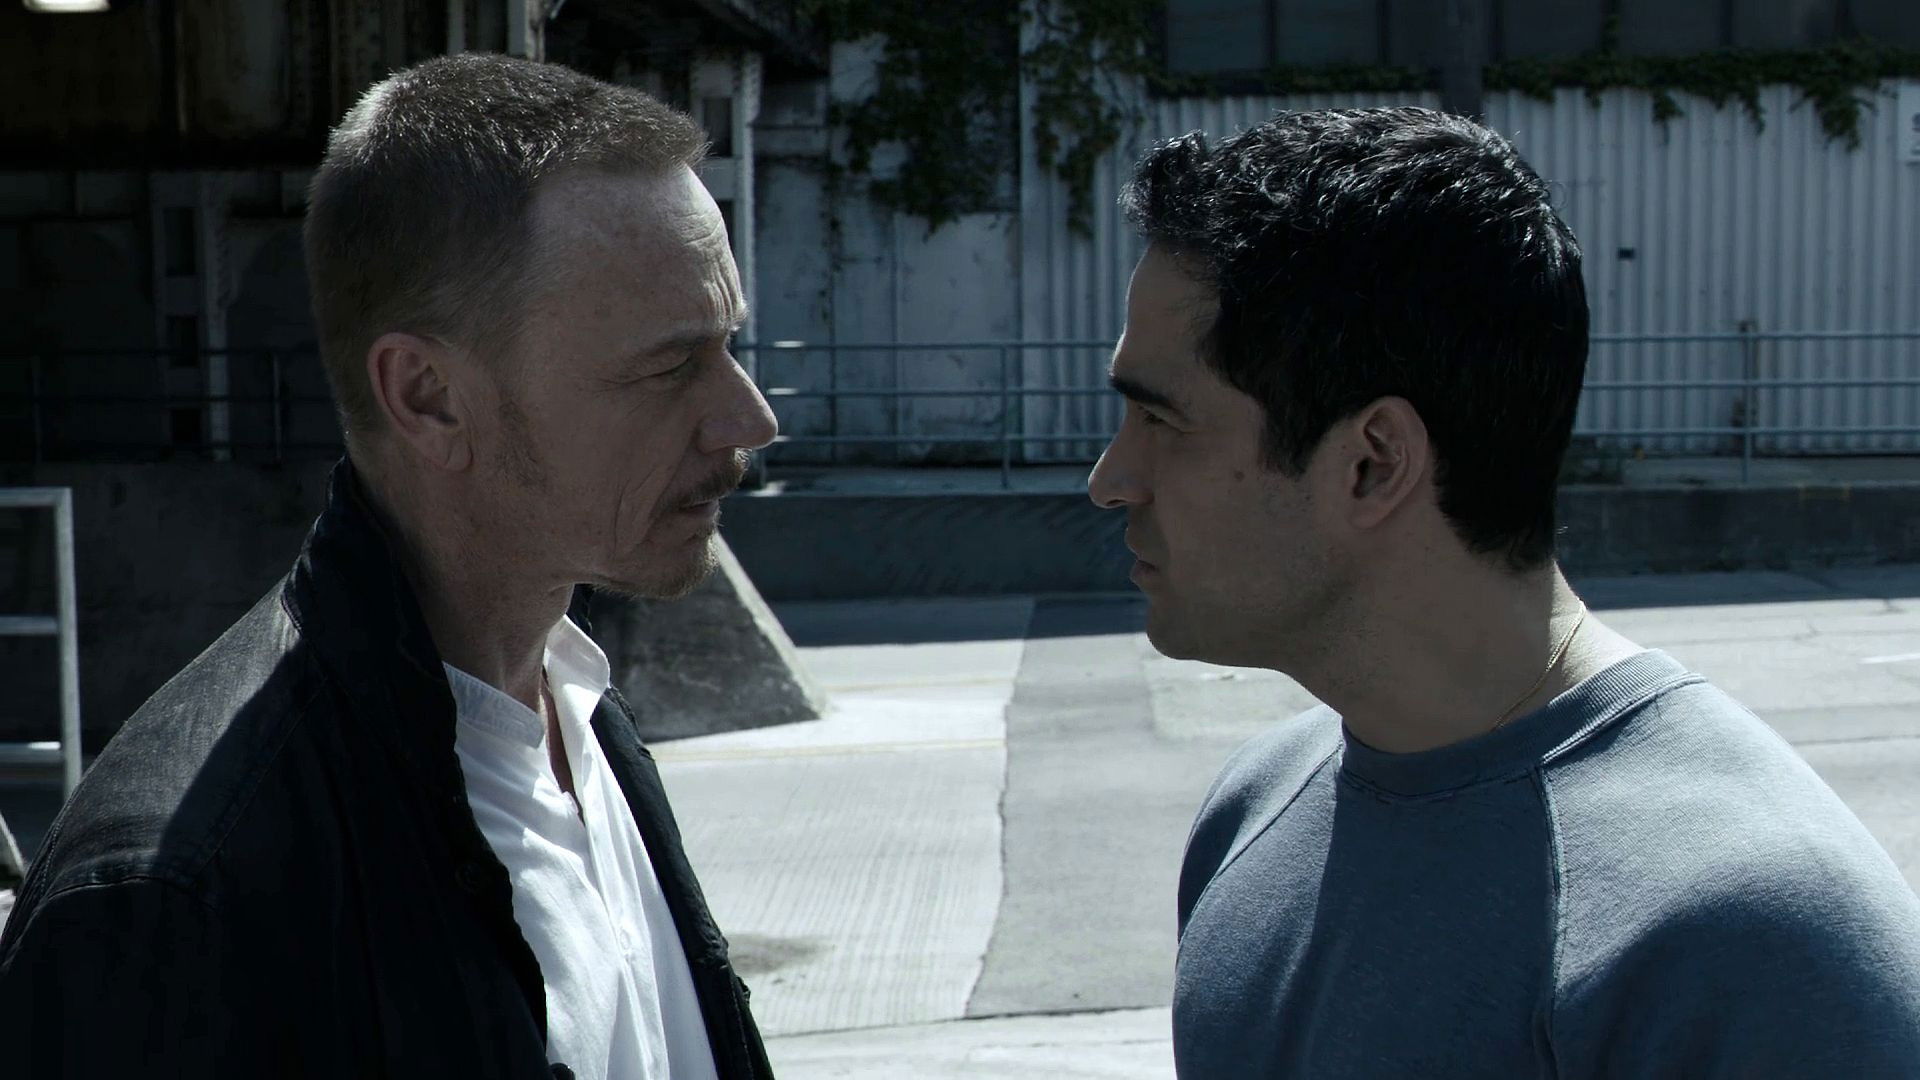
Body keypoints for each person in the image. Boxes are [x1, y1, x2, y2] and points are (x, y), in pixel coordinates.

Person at [1089, 107, 1920, 1077]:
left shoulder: (1754, 946)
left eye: (1161, 421)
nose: (1111, 479)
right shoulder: (1254, 807)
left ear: (1372, 463)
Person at [0, 54, 779, 1079]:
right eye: (671, 366)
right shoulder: (175, 903)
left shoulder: (578, 711)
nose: (750, 419)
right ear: (428, 398)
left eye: (728, 346)